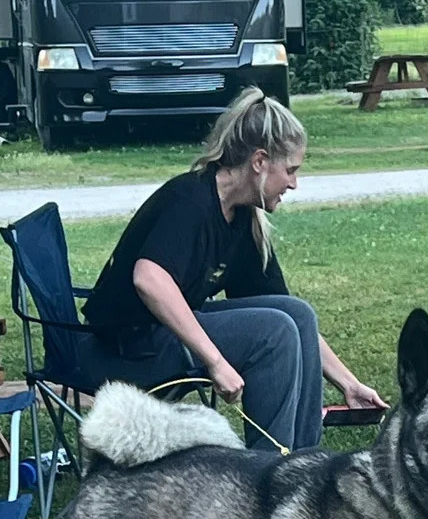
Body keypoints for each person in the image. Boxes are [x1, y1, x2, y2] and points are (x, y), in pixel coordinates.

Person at [80, 87, 386, 450]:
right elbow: (149, 278)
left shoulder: (242, 217)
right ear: (259, 162)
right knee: (274, 333)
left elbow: (284, 310)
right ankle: (266, 473)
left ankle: (305, 464)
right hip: (127, 347)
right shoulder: (191, 200)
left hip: (162, 336)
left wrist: (347, 383)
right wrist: (217, 362)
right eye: (290, 170)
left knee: (297, 315)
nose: (293, 183)